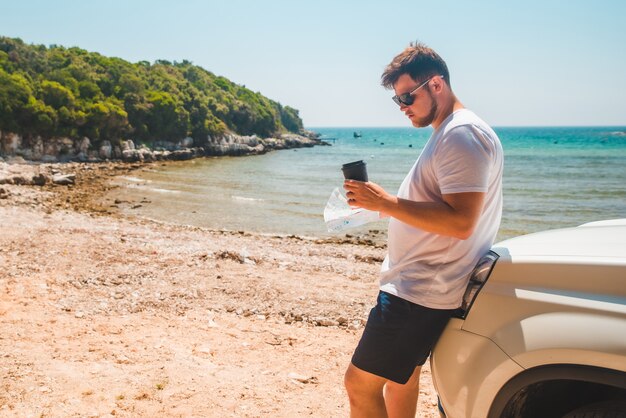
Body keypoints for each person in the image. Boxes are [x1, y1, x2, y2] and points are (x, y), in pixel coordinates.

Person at [343, 42, 504, 417]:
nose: (402, 107)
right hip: (425, 288)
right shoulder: (451, 131)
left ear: (436, 85)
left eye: (406, 97)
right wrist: (379, 208)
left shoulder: (461, 134)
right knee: (402, 379)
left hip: (419, 293)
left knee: (358, 384)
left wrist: (385, 203)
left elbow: (462, 222)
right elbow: (442, 209)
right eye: (397, 100)